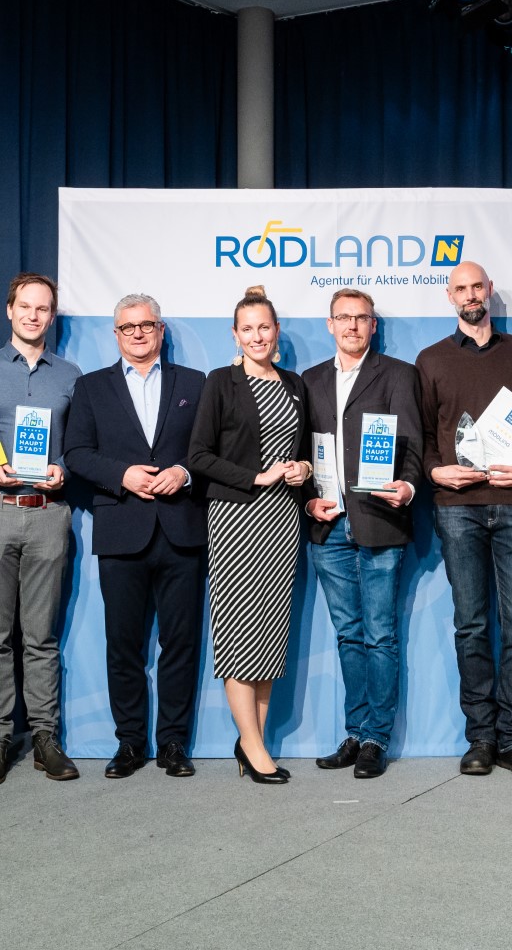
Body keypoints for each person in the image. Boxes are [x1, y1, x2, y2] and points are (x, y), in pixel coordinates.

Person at [416, 261, 512, 778]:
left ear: (490, 291)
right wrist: (434, 471)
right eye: (461, 288)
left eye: (478, 286)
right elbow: (421, 436)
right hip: (457, 509)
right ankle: (481, 737)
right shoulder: (431, 360)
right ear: (449, 296)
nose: (471, 295)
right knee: (471, 626)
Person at [66, 293, 207, 780]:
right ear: (116, 334)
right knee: (122, 644)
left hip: (181, 529)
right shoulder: (91, 387)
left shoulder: (195, 383)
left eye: (147, 324)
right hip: (121, 529)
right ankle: (129, 742)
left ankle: (173, 742)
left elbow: (208, 449)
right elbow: (76, 453)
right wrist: (121, 475)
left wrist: (184, 473)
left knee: (180, 643)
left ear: (161, 330)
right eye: (128, 327)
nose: (138, 333)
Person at [0, 273, 83, 786]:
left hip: (48, 512)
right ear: (10, 310)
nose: (33, 315)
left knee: (41, 636)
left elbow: (79, 446)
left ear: (52, 316)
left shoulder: (70, 375)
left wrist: (63, 471)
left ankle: (45, 738)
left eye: (43, 308)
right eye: (25, 306)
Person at [188, 286, 312, 785]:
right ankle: (255, 747)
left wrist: (303, 468)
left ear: (276, 331)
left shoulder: (295, 384)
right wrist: (255, 477)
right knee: (241, 634)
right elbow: (199, 456)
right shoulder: (221, 382)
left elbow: (306, 450)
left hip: (283, 519)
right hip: (237, 519)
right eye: (247, 329)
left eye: (264, 327)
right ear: (235, 335)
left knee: (268, 635)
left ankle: (250, 743)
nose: (257, 336)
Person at [302, 289, 423, 779]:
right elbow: (299, 452)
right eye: (343, 317)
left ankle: (376, 738)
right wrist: (307, 499)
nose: (352, 326)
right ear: (330, 324)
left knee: (380, 635)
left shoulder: (398, 374)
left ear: (373, 325)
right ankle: (354, 732)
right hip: (328, 523)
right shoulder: (309, 380)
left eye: (361, 318)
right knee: (348, 635)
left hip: (379, 519)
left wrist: (408, 487)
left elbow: (413, 444)